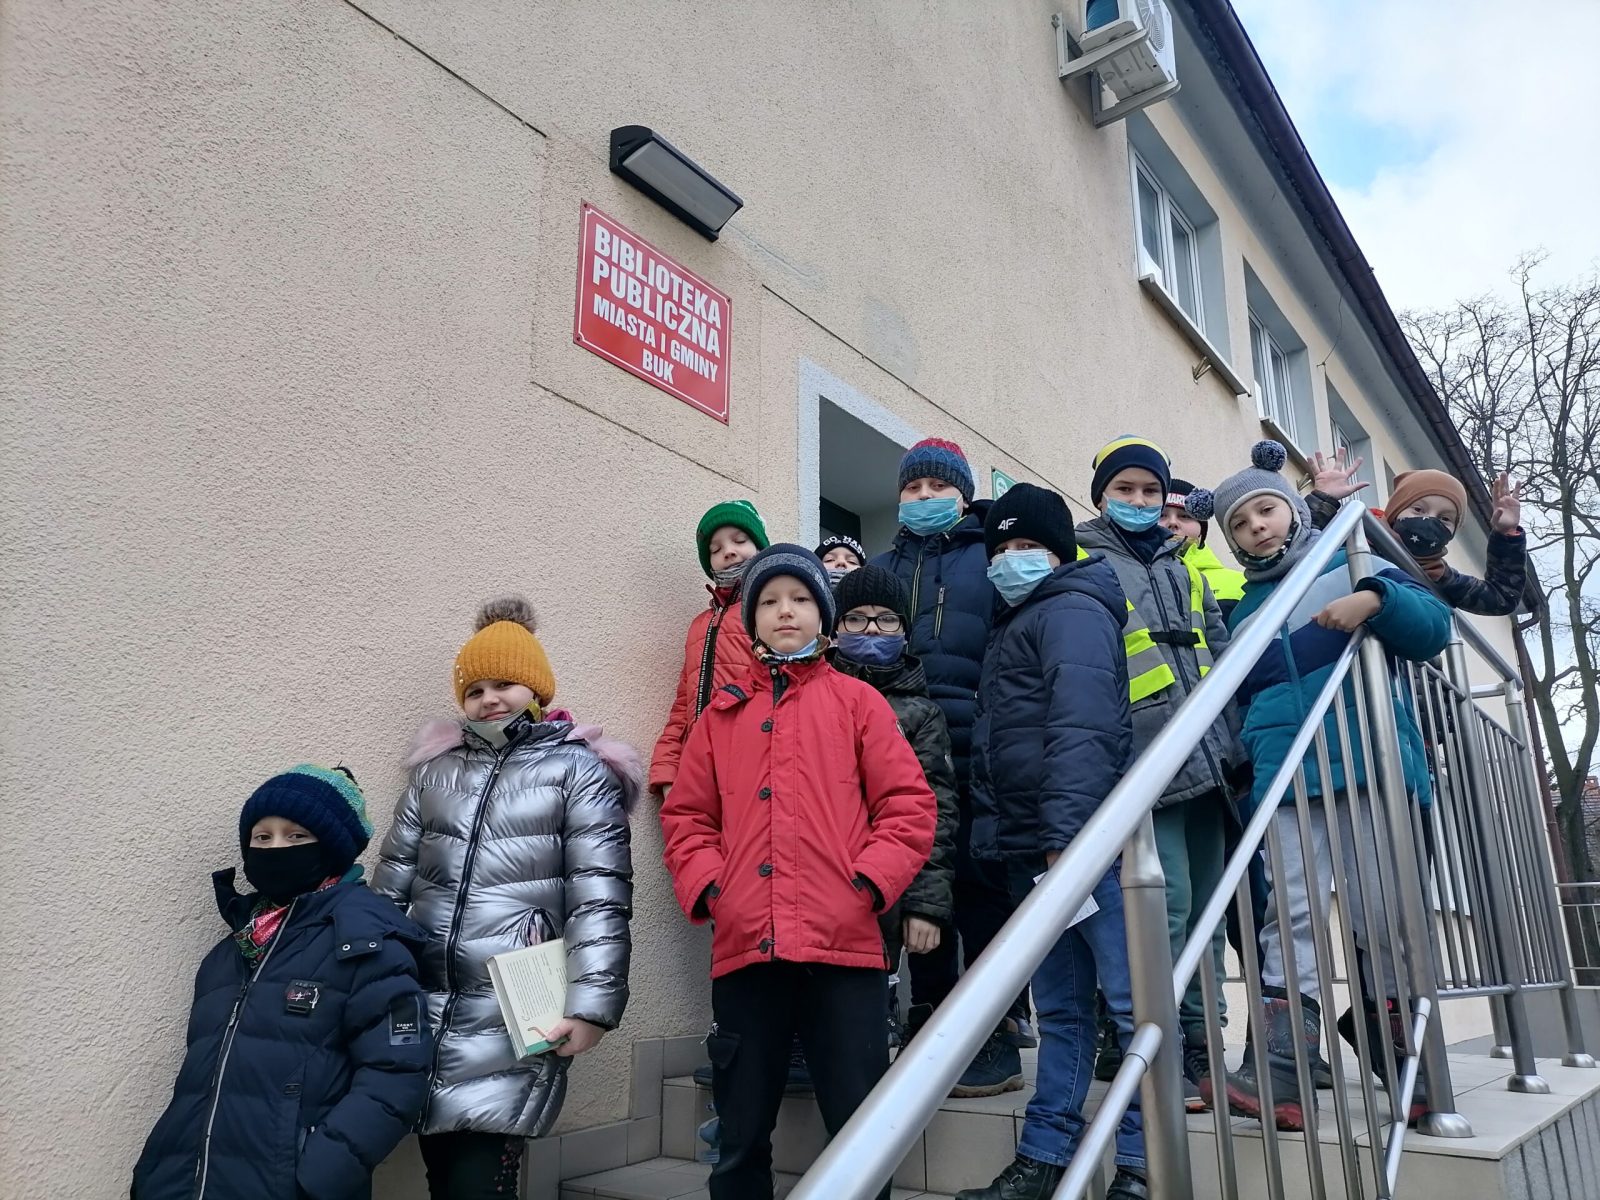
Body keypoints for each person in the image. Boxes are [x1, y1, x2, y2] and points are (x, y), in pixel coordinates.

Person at [1185, 441, 1453, 1131]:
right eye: (1240, 524)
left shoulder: (1350, 559)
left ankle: (1409, 1058)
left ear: (1294, 510)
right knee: (1290, 918)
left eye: (1266, 511)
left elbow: (1434, 628)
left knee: (1382, 919)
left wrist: (1374, 598)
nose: (1257, 528)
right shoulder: (1242, 613)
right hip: (1288, 784)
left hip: (1371, 771)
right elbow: (1242, 704)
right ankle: (1284, 1069)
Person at [660, 544, 937, 1200]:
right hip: (745, 952)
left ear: (824, 615)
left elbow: (909, 806)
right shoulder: (719, 718)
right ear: (751, 619)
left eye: (802, 598)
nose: (786, 611)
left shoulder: (858, 703)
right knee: (739, 1138)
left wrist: (865, 886)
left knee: (860, 1133)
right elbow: (688, 818)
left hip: (845, 952)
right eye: (770, 601)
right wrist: (716, 890)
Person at [375, 598, 636, 1198]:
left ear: (536, 688)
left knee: (479, 1176)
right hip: (425, 1000)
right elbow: (392, 880)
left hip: (516, 1005)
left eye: (505, 684)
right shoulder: (434, 773)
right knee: (442, 1171)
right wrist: (368, 979)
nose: (490, 699)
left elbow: (599, 896)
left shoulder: (576, 770)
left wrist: (591, 1006)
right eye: (475, 690)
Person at [959, 483, 1147, 1200]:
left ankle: (1141, 1162)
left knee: (1129, 1010)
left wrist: (1065, 843)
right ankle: (1045, 1155)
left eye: (1029, 545)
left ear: (1060, 553)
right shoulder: (1021, 619)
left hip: (1078, 852)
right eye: (1001, 548)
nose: (1012, 558)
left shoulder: (1070, 610)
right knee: (1063, 1011)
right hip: (1038, 851)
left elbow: (1082, 726)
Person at [132, 766, 431, 1200]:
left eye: (296, 836)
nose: (275, 848)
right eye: (262, 836)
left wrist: (318, 1174)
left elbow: (397, 1075)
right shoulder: (231, 952)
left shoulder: (366, 944)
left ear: (332, 848)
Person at [1076, 437, 1245, 1112]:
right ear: (1102, 497)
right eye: (1126, 490)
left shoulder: (1187, 569)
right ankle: (1155, 1042)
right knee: (1163, 909)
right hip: (1142, 763)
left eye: (1151, 491)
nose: (1141, 501)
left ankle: (1203, 1045)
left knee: (1207, 911)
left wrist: (1232, 742)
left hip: (1209, 758)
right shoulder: (1084, 561)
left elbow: (1222, 653)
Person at [870, 437, 1032, 1097]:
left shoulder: (990, 558)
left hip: (976, 749)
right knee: (916, 885)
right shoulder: (883, 567)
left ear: (963, 495)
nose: (925, 497)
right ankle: (928, 1013)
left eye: (939, 487)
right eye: (913, 488)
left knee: (978, 887)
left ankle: (994, 1029)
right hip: (901, 752)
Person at [829, 564, 960, 1045]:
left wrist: (926, 906)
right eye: (856, 618)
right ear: (835, 628)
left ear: (904, 631)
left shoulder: (922, 714)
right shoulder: (815, 699)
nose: (870, 630)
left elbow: (936, 812)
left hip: (891, 887)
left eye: (886, 619)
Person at [1307, 449, 1527, 615]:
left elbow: (1501, 598)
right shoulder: (1352, 534)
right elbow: (1300, 542)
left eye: (1445, 518)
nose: (1429, 520)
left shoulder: (1438, 576)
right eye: (1418, 509)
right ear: (1395, 510)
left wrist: (1506, 535)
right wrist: (1323, 498)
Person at [650, 500, 771, 801]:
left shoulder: (768, 614)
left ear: (761, 548)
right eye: (715, 549)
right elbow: (683, 703)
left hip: (755, 769)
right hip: (699, 771)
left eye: (740, 540)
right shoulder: (699, 625)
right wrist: (667, 772)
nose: (728, 551)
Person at [1162, 476, 1247, 622]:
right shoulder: (1125, 579)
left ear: (1202, 531)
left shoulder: (1242, 585)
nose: (1173, 522)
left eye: (1185, 516)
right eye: (1161, 515)